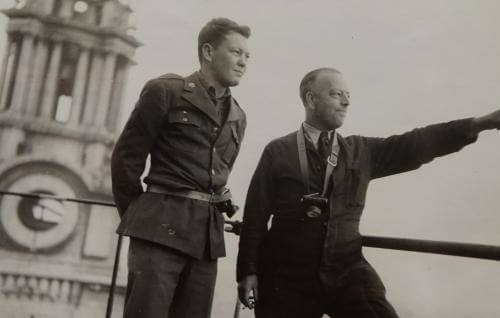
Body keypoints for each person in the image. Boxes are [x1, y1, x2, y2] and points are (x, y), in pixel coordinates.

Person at [236, 67, 500, 318]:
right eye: (336, 94)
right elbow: (255, 216)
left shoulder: (360, 151)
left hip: (346, 271)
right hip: (286, 275)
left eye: (348, 96)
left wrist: (479, 124)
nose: (346, 102)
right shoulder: (278, 151)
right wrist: (247, 271)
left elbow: (415, 143)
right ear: (311, 99)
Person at [111, 18, 250, 318]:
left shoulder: (238, 116)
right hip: (159, 230)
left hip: (206, 242)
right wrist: (142, 217)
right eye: (236, 52)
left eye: (247, 56)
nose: (243, 62)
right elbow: (126, 159)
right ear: (209, 51)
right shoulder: (166, 91)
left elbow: (216, 173)